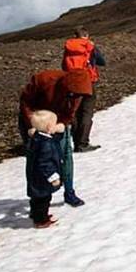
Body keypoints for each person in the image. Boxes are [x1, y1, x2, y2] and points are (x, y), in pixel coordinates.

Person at [19, 69, 92, 207]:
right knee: (35, 158)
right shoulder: (44, 79)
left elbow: (70, 113)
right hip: (35, 121)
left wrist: (60, 125)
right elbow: (25, 101)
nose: (74, 97)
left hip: (56, 123)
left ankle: (69, 192)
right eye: (71, 94)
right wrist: (32, 124)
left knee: (66, 155)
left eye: (77, 95)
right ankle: (37, 198)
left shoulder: (78, 92)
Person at [62, 27, 106, 152]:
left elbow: (64, 65)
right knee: (87, 112)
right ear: (86, 35)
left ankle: (75, 142)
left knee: (75, 112)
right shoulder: (89, 46)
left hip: (71, 82)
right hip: (87, 81)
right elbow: (102, 62)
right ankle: (83, 144)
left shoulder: (68, 47)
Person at [25, 110, 64, 228]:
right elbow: (44, 163)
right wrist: (53, 177)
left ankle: (35, 213)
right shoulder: (45, 144)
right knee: (44, 198)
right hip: (42, 177)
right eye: (54, 123)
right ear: (48, 127)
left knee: (36, 197)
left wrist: (59, 129)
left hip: (35, 175)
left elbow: (56, 137)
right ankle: (41, 220)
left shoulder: (38, 137)